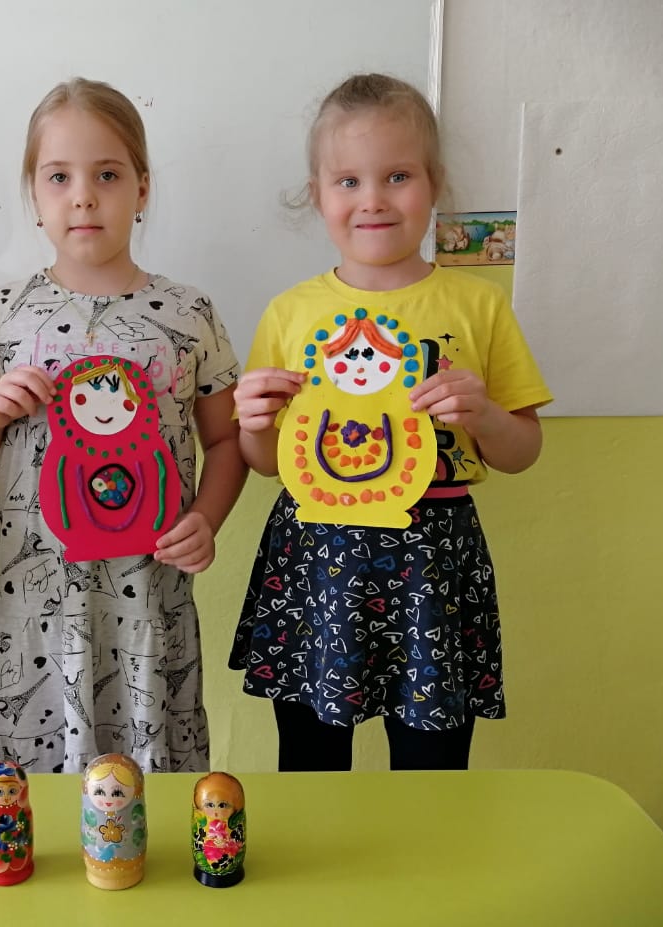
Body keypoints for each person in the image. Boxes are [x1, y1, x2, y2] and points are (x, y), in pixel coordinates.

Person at [228, 73, 552, 772]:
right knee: (311, 760)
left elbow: (523, 449)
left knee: (432, 762)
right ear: (318, 194)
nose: (372, 199)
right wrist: (253, 424)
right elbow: (265, 461)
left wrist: (485, 415)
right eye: (348, 181)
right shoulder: (290, 312)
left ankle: (429, 846)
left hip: (433, 553)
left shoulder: (479, 305)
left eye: (397, 176)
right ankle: (319, 846)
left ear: (434, 184)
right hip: (317, 552)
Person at [0, 78, 245, 774]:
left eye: (108, 175)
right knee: (27, 794)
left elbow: (226, 439)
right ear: (34, 194)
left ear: (142, 189)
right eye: (59, 177)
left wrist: (206, 518)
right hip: (33, 603)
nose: (83, 196)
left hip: (147, 596)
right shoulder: (1, 311)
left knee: (145, 782)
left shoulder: (189, 312)